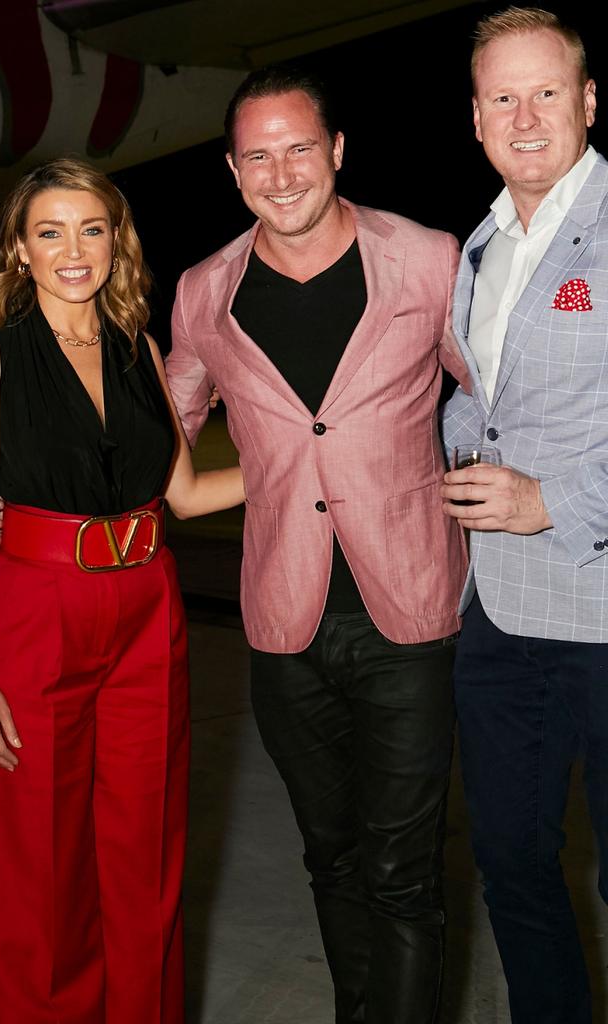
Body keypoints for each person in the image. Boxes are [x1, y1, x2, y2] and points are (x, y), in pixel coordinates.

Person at [165, 65, 471, 1023]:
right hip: (283, 622)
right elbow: (160, 432)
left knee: (403, 868)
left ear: (337, 151)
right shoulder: (204, 292)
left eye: (300, 147)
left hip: (411, 611)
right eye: (258, 155)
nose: (282, 172)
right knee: (330, 857)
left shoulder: (427, 260)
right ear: (232, 168)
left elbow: (503, 392)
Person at [0, 157, 243, 1024]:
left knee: (144, 860)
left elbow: (184, 494)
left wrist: (309, 453)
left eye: (92, 228)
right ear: (19, 250)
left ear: (117, 240)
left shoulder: (138, 347)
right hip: (36, 615)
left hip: (149, 610)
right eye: (49, 231)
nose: (74, 249)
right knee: (38, 869)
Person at [440, 8, 606, 1023]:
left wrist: (553, 499)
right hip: (500, 611)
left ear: (589, 100)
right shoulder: (482, 241)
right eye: (503, 96)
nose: (526, 114)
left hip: (604, 604)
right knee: (509, 859)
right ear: (476, 117)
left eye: (548, 90)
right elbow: (476, 398)